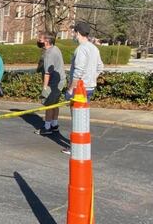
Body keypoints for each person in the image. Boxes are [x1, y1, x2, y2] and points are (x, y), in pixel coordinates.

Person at [62, 22, 104, 154]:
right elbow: (100, 67)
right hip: (90, 87)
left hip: (79, 89)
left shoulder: (81, 49)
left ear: (78, 33)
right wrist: (92, 79)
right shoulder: (93, 48)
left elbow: (78, 71)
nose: (73, 35)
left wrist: (70, 89)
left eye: (74, 32)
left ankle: (76, 146)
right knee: (83, 116)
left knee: (76, 117)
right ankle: (81, 143)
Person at [35, 31, 66, 135]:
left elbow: (47, 73)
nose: (38, 40)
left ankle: (47, 127)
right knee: (55, 104)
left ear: (47, 41)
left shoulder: (49, 54)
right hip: (61, 80)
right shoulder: (55, 49)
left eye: (40, 39)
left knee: (48, 105)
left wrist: (45, 88)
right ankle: (54, 124)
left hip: (53, 82)